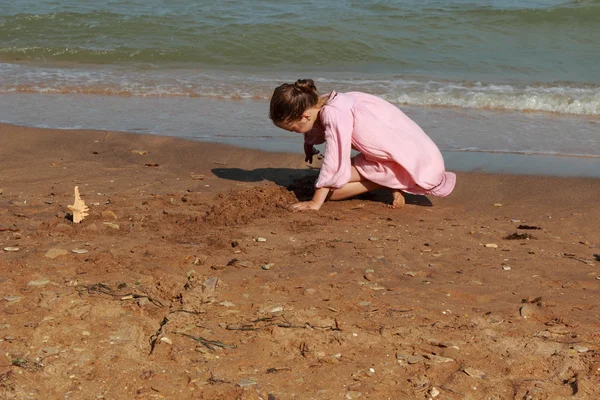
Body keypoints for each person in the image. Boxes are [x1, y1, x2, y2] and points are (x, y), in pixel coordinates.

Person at [269, 79, 456, 211]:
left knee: (330, 193)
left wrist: (315, 202)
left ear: (305, 116)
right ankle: (391, 180)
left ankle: (387, 181)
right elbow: (316, 129)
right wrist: (309, 145)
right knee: (327, 184)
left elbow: (335, 160)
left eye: (293, 129)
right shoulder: (327, 101)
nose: (294, 133)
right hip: (416, 152)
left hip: (403, 163)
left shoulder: (334, 115)